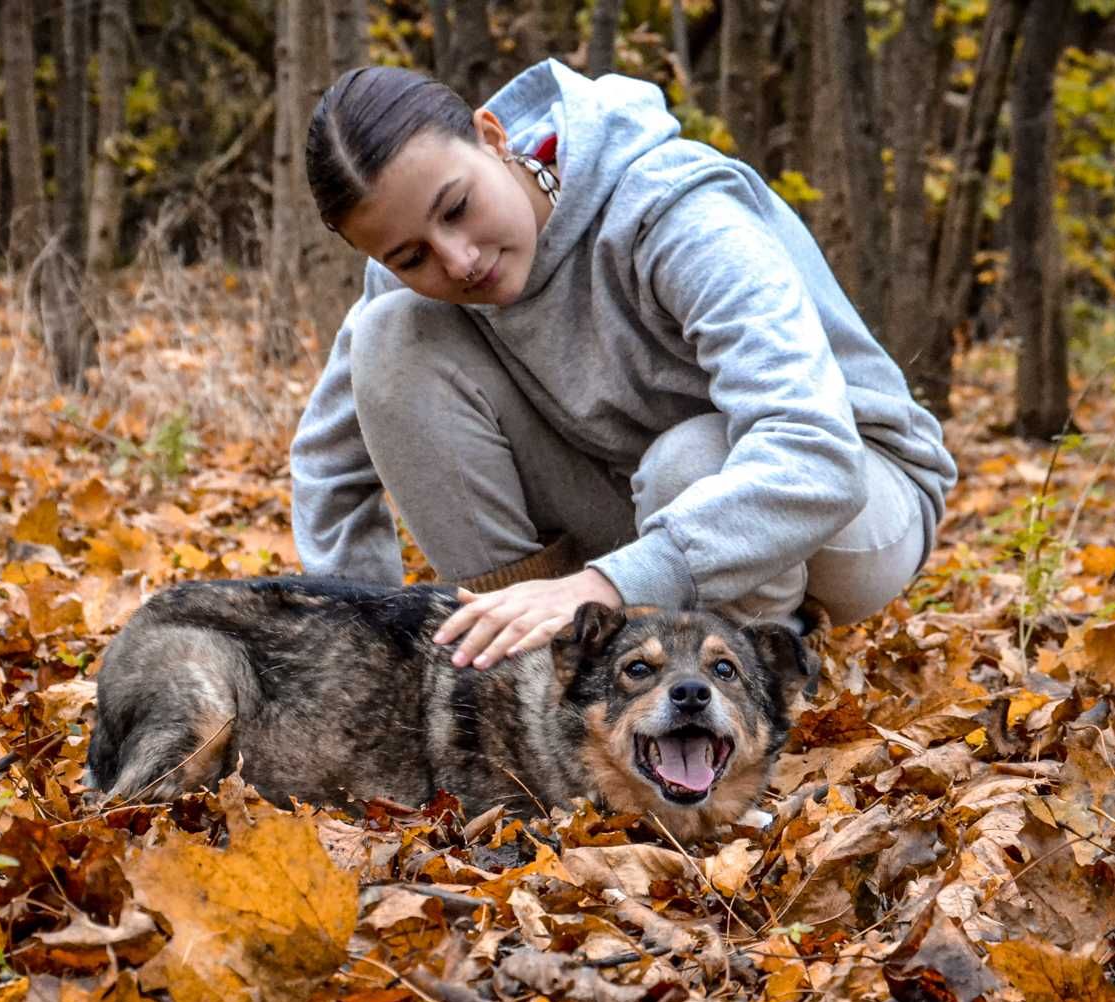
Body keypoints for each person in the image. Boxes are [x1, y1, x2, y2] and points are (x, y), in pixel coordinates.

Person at [290, 58, 953, 671]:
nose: (457, 260)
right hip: (642, 516)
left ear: (492, 137)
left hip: (853, 503)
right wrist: (356, 651)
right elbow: (328, 466)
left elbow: (818, 455)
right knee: (387, 339)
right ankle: (535, 666)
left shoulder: (673, 211)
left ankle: (742, 677)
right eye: (411, 258)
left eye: (458, 208)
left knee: (688, 464)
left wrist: (607, 582)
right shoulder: (410, 285)